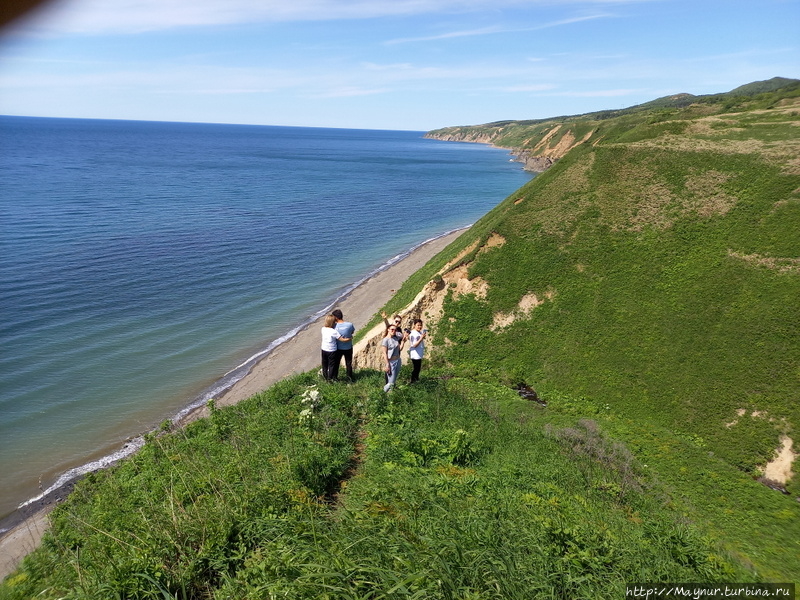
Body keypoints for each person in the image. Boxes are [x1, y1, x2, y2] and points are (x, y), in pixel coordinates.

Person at [320, 314, 350, 381]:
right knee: (331, 365)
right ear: (333, 323)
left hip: (324, 349)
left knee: (324, 364)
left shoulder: (323, 329)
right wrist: (349, 339)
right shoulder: (334, 332)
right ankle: (330, 379)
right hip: (331, 350)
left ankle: (325, 377)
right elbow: (342, 339)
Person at [331, 308, 355, 381]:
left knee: (336, 363)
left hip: (338, 348)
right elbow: (352, 332)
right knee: (348, 364)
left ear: (336, 317)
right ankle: (349, 379)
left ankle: (335, 378)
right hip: (348, 347)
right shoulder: (350, 324)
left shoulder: (334, 326)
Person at [381, 323, 405, 392]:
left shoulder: (395, 338)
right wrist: (387, 364)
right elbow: (384, 353)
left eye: (395, 330)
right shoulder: (385, 340)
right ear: (388, 330)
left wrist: (403, 341)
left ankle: (390, 394)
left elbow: (399, 348)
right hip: (391, 363)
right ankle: (385, 392)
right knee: (391, 382)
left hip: (398, 361)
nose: (393, 331)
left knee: (393, 380)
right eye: (392, 329)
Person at [407, 319, 427, 383]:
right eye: (418, 325)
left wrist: (422, 337)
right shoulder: (413, 333)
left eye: (420, 325)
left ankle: (416, 380)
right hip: (415, 354)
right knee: (416, 368)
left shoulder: (419, 332)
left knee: (418, 368)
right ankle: (413, 381)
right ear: (414, 325)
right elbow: (414, 345)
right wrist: (421, 338)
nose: (419, 327)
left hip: (418, 353)